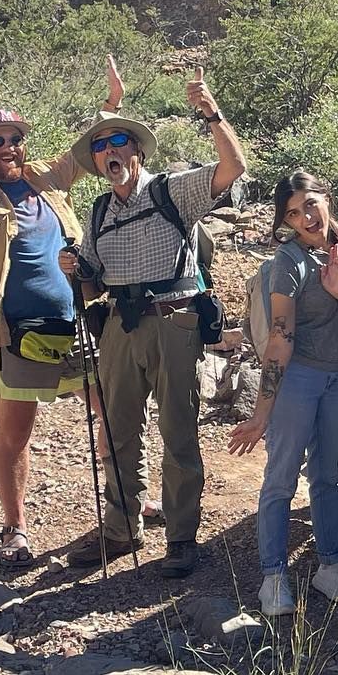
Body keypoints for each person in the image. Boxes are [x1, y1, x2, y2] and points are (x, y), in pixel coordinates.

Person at [67, 68, 247, 577]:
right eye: (101, 147)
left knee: (178, 430)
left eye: (119, 141)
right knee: (120, 429)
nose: (110, 152)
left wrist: (211, 111)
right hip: (121, 327)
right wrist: (75, 271)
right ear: (97, 161)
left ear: (137, 152)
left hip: (174, 321)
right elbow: (93, 281)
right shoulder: (100, 211)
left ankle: (182, 537)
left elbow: (233, 167)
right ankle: (121, 529)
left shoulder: (172, 191)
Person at [0, 61, 122, 570]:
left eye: (14, 137)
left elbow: (84, 153)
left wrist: (111, 107)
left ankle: (126, 502)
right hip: (12, 333)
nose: (9, 146)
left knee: (108, 405)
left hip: (74, 320)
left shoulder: (44, 181)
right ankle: (15, 529)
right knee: (16, 429)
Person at [228, 172, 338, 615]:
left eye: (310, 204)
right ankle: (273, 575)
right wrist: (260, 414)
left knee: (329, 473)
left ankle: (330, 565)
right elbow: (280, 337)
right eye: (293, 213)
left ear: (327, 198)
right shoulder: (287, 262)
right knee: (282, 476)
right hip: (298, 379)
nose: (305, 217)